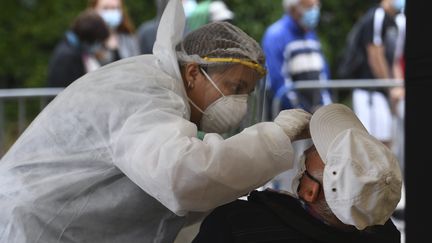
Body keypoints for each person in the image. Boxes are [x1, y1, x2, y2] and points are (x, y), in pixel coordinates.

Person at [0, 0, 312, 242]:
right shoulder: (148, 91)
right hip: (37, 228)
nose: (240, 103)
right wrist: (277, 136)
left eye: (248, 92)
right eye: (235, 88)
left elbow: (173, 199)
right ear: (193, 73)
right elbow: (185, 178)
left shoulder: (161, 90)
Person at [192, 103, 403, 243]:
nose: (309, 148)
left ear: (310, 191)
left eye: (318, 150)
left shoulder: (235, 223)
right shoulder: (386, 235)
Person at [340, 0, 406, 148]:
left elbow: (394, 60)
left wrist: (398, 86)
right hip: (368, 89)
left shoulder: (398, 21)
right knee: (369, 143)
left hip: (382, 90)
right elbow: (375, 55)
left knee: (386, 141)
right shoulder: (377, 15)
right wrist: (390, 88)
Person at [261, 0, 332, 121]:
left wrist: (326, 110)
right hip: (288, 120)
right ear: (293, 8)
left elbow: (323, 77)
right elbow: (279, 83)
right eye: (309, 7)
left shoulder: (311, 35)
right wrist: (303, 115)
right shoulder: (276, 35)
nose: (315, 11)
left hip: (315, 119)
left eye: (317, 6)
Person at [46, 9, 110, 87]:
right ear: (89, 38)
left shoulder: (71, 49)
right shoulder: (68, 56)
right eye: (97, 41)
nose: (98, 46)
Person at [88, 0, 140, 64]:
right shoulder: (87, 43)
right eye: (105, 8)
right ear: (93, 10)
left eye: (115, 8)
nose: (111, 12)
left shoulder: (129, 40)